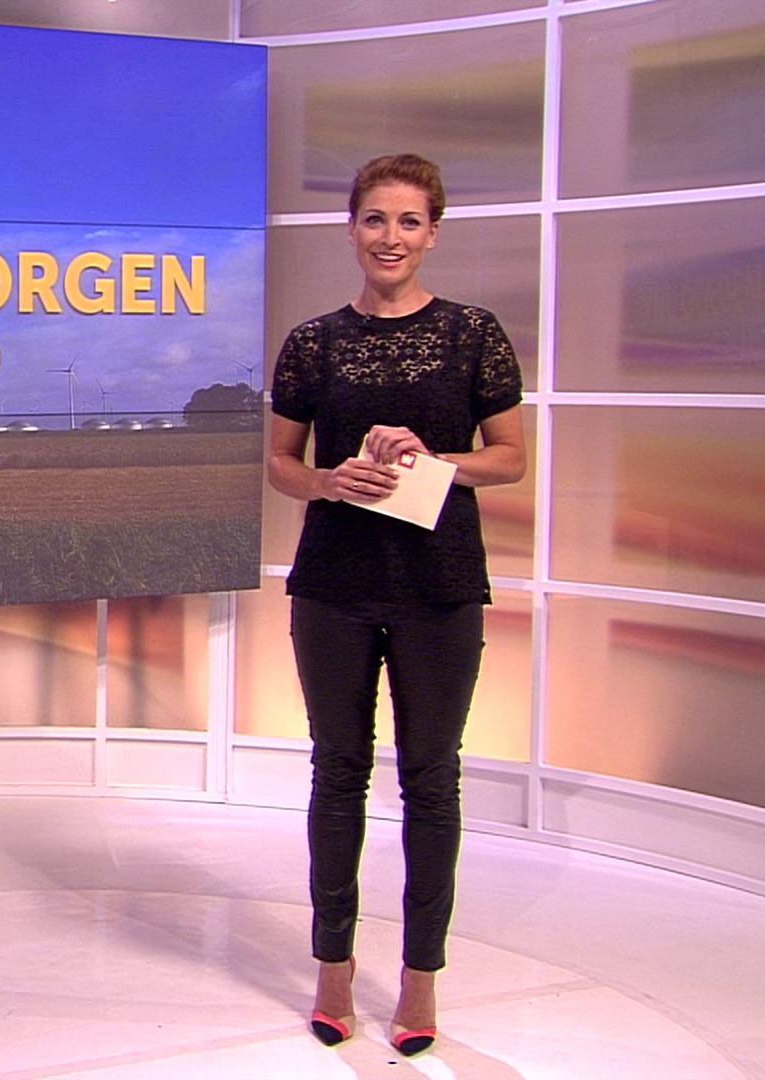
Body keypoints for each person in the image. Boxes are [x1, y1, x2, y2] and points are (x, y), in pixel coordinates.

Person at [265, 153, 525, 1057]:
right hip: (333, 585)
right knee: (338, 772)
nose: (391, 237)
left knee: (431, 778)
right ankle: (333, 970)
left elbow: (511, 459)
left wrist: (436, 458)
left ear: (432, 234)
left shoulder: (473, 334)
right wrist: (327, 481)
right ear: (352, 229)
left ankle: (420, 981)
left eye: (409, 221)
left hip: (439, 586)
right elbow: (280, 464)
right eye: (375, 219)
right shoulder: (313, 343)